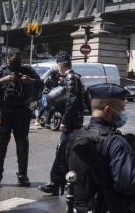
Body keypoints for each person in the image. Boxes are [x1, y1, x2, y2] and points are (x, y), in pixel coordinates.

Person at [63, 83, 135, 212]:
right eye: (122, 108)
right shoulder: (116, 142)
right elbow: (128, 185)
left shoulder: (72, 137)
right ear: (108, 110)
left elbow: (57, 176)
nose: (124, 112)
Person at [0, 48, 43, 189]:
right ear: (8, 57)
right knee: (1, 144)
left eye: (20, 59)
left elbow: (41, 84)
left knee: (22, 144)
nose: (17, 62)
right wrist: (1, 80)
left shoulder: (26, 69)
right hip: (4, 112)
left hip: (22, 112)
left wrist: (31, 80)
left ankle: (23, 174)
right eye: (14, 59)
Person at [38, 53, 85, 196]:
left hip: (71, 121)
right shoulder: (71, 77)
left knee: (62, 151)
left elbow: (73, 100)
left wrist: (64, 121)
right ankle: (66, 182)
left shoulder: (71, 77)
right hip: (73, 120)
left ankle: (56, 183)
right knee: (68, 152)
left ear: (60, 66)